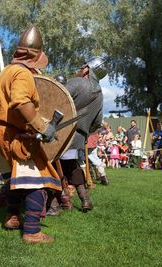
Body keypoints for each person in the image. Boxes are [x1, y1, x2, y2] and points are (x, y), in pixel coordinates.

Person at [0, 25, 61, 244]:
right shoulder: (22, 73)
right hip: (14, 136)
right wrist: (42, 126)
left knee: (16, 179)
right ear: (36, 55)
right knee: (36, 184)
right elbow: (20, 102)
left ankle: (12, 217)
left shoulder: (7, 71)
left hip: (0, 130)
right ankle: (32, 232)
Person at [59, 55, 107, 212]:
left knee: (53, 165)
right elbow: (97, 123)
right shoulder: (100, 96)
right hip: (79, 136)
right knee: (72, 167)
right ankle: (85, 198)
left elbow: (57, 100)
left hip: (60, 133)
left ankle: (57, 202)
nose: (79, 70)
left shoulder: (77, 82)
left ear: (87, 69)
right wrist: (84, 131)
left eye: (82, 68)